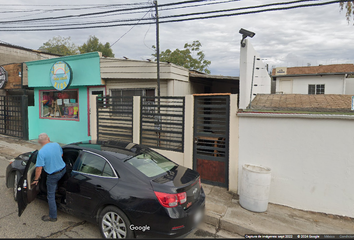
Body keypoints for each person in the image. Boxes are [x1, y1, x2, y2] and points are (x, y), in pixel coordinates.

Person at [32, 133, 66, 222]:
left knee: (50, 195)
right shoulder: (56, 144)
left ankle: (52, 216)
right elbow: (61, 155)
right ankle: (59, 191)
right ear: (49, 138)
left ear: (39, 142)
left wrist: (36, 179)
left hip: (53, 175)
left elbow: (39, 168)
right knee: (58, 183)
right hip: (63, 170)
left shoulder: (41, 152)